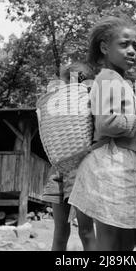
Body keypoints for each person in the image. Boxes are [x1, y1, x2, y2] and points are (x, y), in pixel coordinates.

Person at [68, 16, 136, 251]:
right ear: (105, 47)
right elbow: (106, 124)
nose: (132, 50)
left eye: (135, 45)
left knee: (125, 245)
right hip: (110, 165)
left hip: (122, 164)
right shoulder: (107, 78)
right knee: (110, 245)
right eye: (124, 44)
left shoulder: (118, 80)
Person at [42, 61, 96, 251]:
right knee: (79, 230)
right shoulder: (67, 103)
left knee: (70, 231)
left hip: (70, 169)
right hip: (67, 169)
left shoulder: (87, 101)